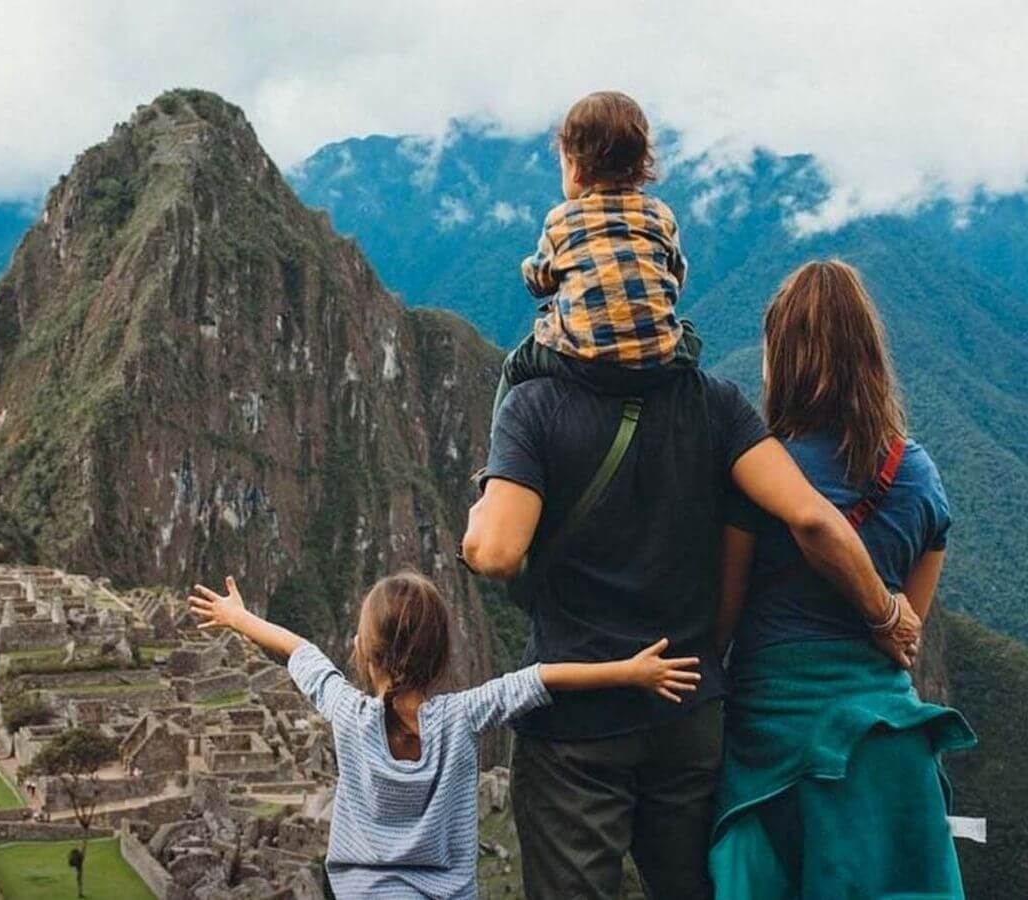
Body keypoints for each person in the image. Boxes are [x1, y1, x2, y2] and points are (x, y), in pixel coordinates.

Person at [462, 304, 921, 897]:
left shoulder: (533, 405)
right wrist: (883, 614)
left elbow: (496, 553)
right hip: (687, 713)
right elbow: (812, 517)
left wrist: (479, 515)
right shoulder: (717, 403)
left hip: (577, 727)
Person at [710, 260, 976, 898]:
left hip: (779, 754)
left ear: (784, 358)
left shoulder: (760, 474)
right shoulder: (920, 475)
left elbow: (722, 622)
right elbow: (907, 632)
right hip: (890, 755)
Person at [188, 569, 702, 899]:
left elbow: (299, 651)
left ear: (364, 652)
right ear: (440, 656)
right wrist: (630, 671)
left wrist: (237, 617)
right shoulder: (462, 716)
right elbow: (542, 677)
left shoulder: (347, 712)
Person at [490, 89, 701, 436]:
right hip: (657, 364)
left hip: (586, 364)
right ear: (640, 165)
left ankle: (496, 460)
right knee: (689, 336)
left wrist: (530, 266)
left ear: (575, 168)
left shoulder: (562, 221)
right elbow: (676, 275)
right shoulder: (660, 215)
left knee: (515, 364)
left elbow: (539, 282)